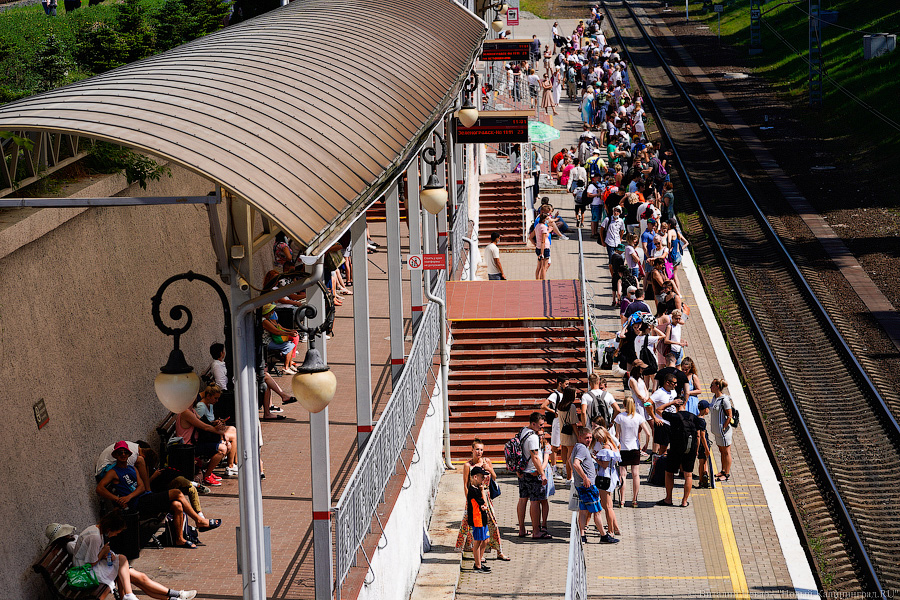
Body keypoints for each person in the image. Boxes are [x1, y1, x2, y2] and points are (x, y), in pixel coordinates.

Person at [96, 442, 218, 549]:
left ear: (129, 454)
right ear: (115, 455)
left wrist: (130, 495)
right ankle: (199, 520)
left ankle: (179, 539)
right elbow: (99, 488)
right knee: (177, 493)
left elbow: (142, 487)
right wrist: (118, 499)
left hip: (145, 498)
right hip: (138, 504)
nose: (123, 455)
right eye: (120, 453)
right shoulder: (113, 472)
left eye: (125, 452)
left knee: (177, 505)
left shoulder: (132, 469)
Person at [73, 510, 197, 600]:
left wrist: (105, 553)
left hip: (95, 566)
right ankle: (176, 595)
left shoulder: (97, 531)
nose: (116, 535)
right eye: (117, 532)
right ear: (111, 528)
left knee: (137, 576)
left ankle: (175, 596)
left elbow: (94, 556)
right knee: (133, 573)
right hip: (86, 571)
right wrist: (103, 553)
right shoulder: (95, 537)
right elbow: (91, 562)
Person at [456, 439, 510, 561]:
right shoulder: (468, 466)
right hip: (474, 498)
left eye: (481, 450)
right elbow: (465, 485)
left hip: (487, 497)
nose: (479, 452)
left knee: (493, 524)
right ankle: (478, 554)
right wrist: (468, 501)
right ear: (472, 450)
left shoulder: (487, 461)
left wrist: (489, 469)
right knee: (471, 525)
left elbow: (494, 477)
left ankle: (499, 551)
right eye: (477, 449)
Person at [571, 427, 617, 544]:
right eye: (586, 438)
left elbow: (570, 462)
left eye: (591, 437)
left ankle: (582, 535)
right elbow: (576, 464)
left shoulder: (577, 447)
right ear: (580, 437)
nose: (589, 440)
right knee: (597, 511)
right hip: (588, 486)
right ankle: (603, 535)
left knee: (583, 510)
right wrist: (585, 478)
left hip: (580, 485)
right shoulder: (581, 449)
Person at [176, 396, 229, 487]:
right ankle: (207, 475)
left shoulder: (191, 410)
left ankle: (208, 471)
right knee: (222, 449)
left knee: (226, 445)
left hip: (195, 443)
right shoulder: (185, 412)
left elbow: (203, 422)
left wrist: (215, 423)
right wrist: (222, 433)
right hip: (188, 447)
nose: (196, 398)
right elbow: (205, 427)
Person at [659, 408, 705, 507]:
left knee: (669, 473)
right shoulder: (694, 417)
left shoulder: (674, 416)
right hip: (690, 449)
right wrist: (696, 450)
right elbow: (698, 434)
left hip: (676, 449)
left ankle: (668, 499)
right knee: (688, 475)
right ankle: (684, 501)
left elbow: (658, 409)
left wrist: (671, 403)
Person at [516, 413, 551, 539]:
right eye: (540, 425)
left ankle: (521, 529)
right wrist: (542, 474)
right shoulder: (533, 438)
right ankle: (536, 531)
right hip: (532, 473)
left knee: (522, 500)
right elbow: (535, 457)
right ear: (533, 424)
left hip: (522, 472)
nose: (542, 427)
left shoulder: (523, 431)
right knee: (535, 502)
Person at [195, 383, 238, 477]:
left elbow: (208, 421)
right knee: (234, 436)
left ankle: (234, 462)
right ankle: (230, 465)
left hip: (213, 430)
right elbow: (200, 424)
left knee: (234, 429)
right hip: (207, 434)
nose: (217, 400)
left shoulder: (210, 405)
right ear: (208, 396)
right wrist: (217, 428)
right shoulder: (201, 407)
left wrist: (217, 422)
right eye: (215, 398)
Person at [615, 397, 651, 508]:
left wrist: (616, 448)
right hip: (635, 448)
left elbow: (617, 435)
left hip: (623, 448)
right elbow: (648, 433)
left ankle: (622, 500)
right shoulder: (639, 417)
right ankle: (634, 499)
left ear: (624, 405)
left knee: (622, 475)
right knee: (635, 474)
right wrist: (645, 445)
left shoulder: (619, 417)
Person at [592, 426, 621, 537]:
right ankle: (616, 528)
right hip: (612, 475)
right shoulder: (613, 444)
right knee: (607, 505)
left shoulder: (606, 446)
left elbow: (604, 465)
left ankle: (611, 530)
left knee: (607, 506)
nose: (597, 441)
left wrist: (595, 458)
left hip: (604, 477)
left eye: (597, 438)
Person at [261, 303, 299, 375]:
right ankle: (286, 367)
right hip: (266, 342)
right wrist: (289, 333)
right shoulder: (264, 321)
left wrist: (290, 331)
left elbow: (278, 327)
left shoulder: (268, 319)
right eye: (272, 311)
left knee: (291, 344)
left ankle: (289, 365)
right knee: (289, 346)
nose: (273, 312)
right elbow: (276, 331)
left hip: (270, 339)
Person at [465, 467, 491, 572]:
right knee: (478, 542)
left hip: (482, 518)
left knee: (486, 540)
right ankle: (477, 565)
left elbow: (484, 506)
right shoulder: (473, 490)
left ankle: (479, 560)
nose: (483, 479)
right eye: (482, 477)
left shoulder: (476, 489)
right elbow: (484, 503)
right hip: (477, 519)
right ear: (475, 477)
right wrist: (482, 491)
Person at [649, 373, 682, 456]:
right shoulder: (659, 393)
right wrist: (654, 418)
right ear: (667, 383)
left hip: (672, 422)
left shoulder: (673, 391)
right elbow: (647, 404)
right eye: (674, 383)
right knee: (663, 449)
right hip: (663, 423)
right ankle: (661, 465)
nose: (676, 385)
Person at [710, 378, 735, 482]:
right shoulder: (714, 398)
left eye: (712, 385)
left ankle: (727, 473)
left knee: (726, 452)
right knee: (721, 451)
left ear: (717, 387)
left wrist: (724, 426)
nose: (710, 387)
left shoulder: (724, 400)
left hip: (724, 432)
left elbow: (730, 415)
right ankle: (723, 470)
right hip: (717, 431)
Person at [556, 387, 582, 484]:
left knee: (566, 454)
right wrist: (578, 435)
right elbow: (574, 423)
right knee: (570, 457)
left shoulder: (560, 405)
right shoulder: (571, 407)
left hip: (563, 433)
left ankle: (567, 475)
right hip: (570, 434)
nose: (576, 395)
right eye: (575, 393)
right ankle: (569, 477)